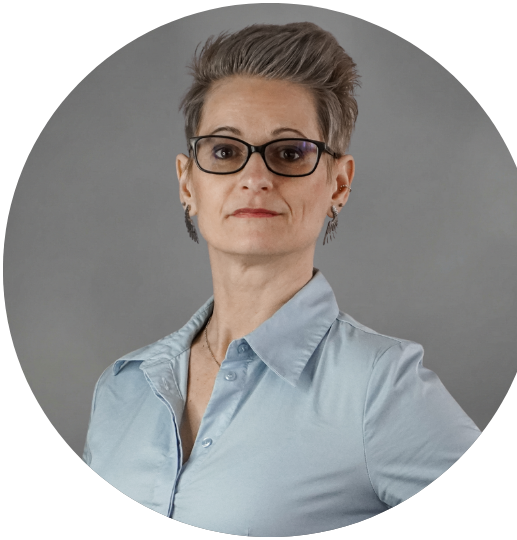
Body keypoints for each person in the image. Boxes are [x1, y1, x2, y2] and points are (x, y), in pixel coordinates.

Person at [83, 22, 481, 535]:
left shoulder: (380, 388)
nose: (255, 178)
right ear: (187, 182)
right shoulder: (122, 388)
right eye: (225, 151)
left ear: (339, 184)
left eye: (290, 153)